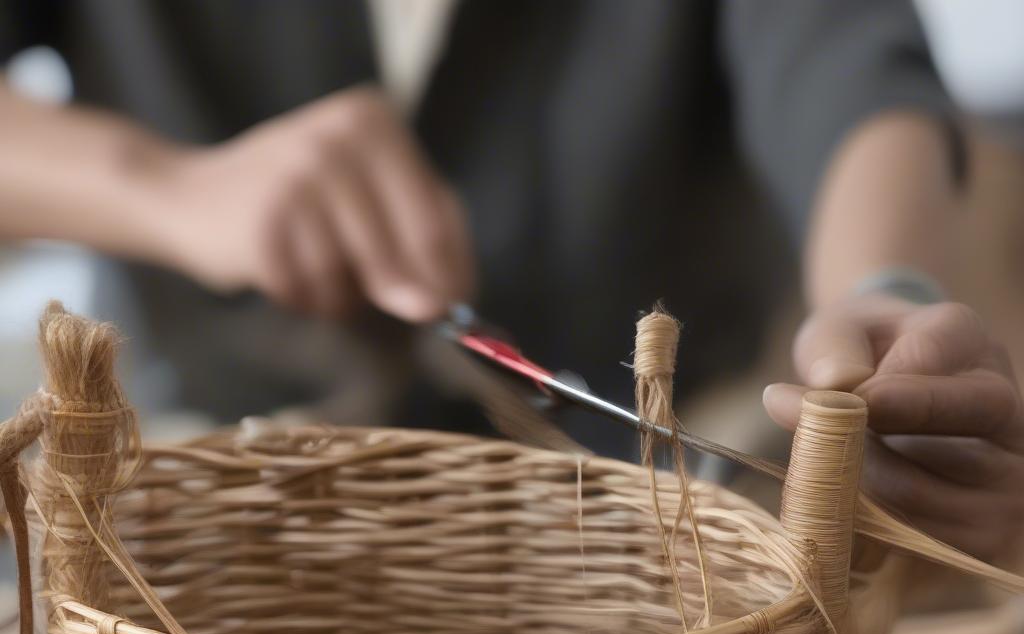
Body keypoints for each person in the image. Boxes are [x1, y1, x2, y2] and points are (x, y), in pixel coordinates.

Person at [0, 0, 1020, 564]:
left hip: (659, 510)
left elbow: (850, 62)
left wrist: (881, 290)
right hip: (200, 479)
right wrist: (166, 188)